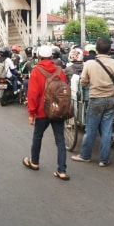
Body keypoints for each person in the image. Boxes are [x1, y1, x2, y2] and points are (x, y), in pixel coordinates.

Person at [71, 37, 114, 167]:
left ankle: (85, 155)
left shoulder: (89, 64)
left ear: (96, 50)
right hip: (111, 99)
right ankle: (104, 160)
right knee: (107, 131)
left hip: (96, 99)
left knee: (91, 129)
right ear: (110, 50)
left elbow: (83, 82)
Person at [23, 45, 70, 180]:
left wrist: (31, 114)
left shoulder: (36, 71)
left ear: (38, 56)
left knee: (38, 136)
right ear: (51, 57)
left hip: (42, 111)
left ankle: (34, 162)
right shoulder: (60, 70)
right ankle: (62, 171)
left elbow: (32, 94)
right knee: (60, 140)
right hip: (57, 110)